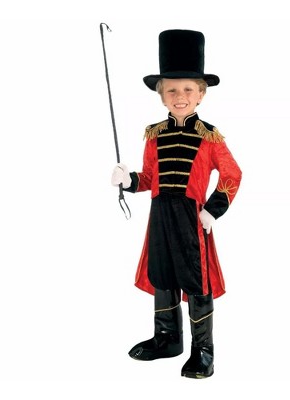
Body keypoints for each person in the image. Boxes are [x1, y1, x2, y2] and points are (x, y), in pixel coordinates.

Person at [111, 29, 242, 379]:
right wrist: (128, 180)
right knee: (163, 274)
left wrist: (212, 210)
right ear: (161, 95)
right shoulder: (154, 135)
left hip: (191, 218)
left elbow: (232, 174)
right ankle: (167, 339)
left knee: (197, 281)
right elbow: (149, 178)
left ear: (201, 94)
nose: (179, 96)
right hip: (160, 217)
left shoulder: (209, 136)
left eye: (187, 89)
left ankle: (203, 350)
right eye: (171, 90)